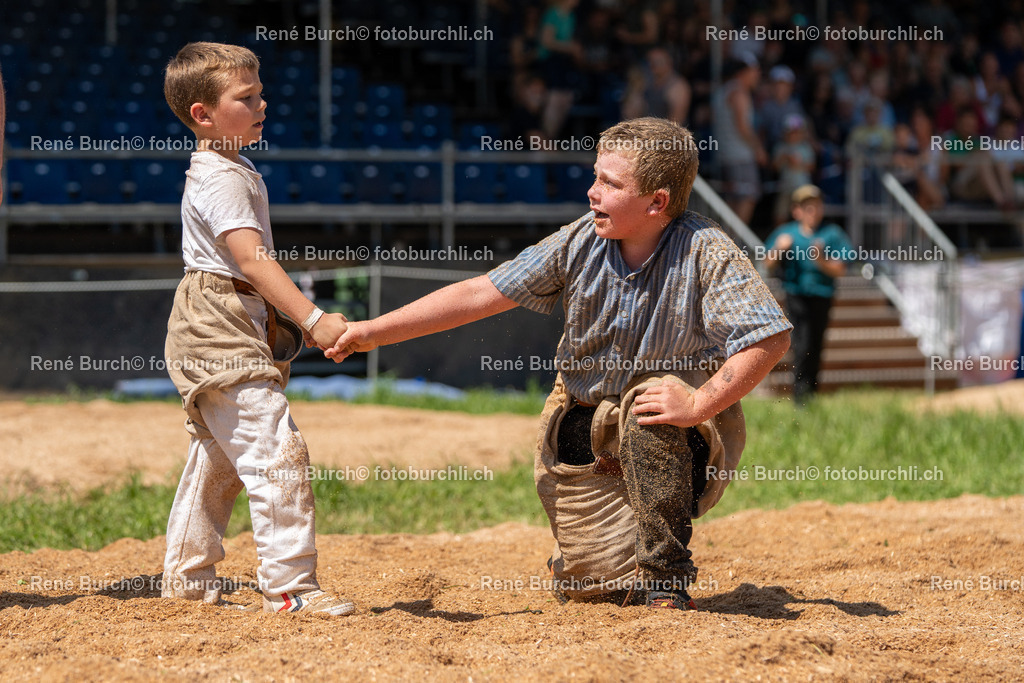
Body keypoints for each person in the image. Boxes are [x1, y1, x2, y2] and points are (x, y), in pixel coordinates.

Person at [326, 118, 792, 611]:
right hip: (582, 420)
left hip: (678, 427)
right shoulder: (578, 241)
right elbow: (479, 292)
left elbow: (771, 337)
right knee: (593, 589)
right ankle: (597, 552)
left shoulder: (707, 250)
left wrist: (699, 402)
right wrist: (371, 332)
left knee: (648, 404)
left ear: (656, 202)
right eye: (595, 176)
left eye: (610, 184)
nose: (592, 192)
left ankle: (665, 578)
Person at [160, 42, 353, 616]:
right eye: (246, 97)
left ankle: (188, 582)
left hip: (227, 317)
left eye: (259, 92)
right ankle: (291, 586)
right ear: (203, 114)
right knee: (275, 449)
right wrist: (313, 319)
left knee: (219, 458)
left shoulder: (233, 166)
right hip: (217, 319)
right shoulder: (222, 177)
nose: (262, 103)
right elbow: (251, 261)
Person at [763, 185, 851, 404]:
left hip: (822, 295)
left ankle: (811, 392)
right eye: (808, 207)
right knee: (801, 343)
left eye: (816, 206)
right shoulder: (787, 233)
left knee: (816, 342)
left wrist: (821, 260)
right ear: (797, 210)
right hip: (796, 295)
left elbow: (841, 269)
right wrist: (779, 249)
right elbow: (767, 263)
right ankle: (799, 395)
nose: (813, 211)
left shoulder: (831, 233)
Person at [711, 55, 766, 226]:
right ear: (745, 72)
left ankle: (726, 246)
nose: (758, 75)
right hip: (740, 156)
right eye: (755, 71)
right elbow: (743, 127)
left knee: (732, 201)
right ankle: (735, 245)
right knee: (747, 197)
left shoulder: (722, 91)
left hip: (724, 155)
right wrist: (759, 149)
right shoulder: (739, 92)